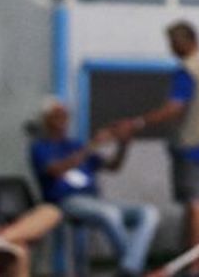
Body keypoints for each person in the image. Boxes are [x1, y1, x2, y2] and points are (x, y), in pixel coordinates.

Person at [115, 22, 199, 277]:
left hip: (194, 144)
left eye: (173, 43)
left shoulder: (188, 70)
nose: (171, 49)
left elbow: (175, 107)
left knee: (196, 204)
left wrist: (139, 122)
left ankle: (194, 266)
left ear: (185, 41)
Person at [28, 98, 159, 277]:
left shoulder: (75, 145)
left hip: (94, 200)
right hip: (65, 202)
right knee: (109, 213)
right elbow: (55, 170)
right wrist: (92, 145)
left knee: (148, 213)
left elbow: (113, 166)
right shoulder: (39, 147)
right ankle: (134, 271)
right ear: (46, 120)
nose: (63, 122)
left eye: (65, 117)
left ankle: (130, 268)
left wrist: (123, 145)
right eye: (57, 117)